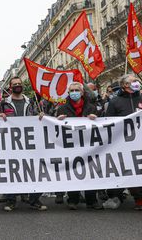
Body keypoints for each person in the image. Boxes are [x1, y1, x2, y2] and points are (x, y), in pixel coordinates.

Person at [0, 77, 47, 211]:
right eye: (15, 84)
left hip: (30, 142)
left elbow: (37, 115)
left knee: (33, 170)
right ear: (10, 87)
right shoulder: (3, 103)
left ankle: (34, 199)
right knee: (12, 171)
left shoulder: (30, 101)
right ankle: (11, 200)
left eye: (19, 83)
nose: (18, 85)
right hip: (11, 143)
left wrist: (41, 115)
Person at [56, 82, 103, 210]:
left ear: (82, 93)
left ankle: (91, 200)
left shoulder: (91, 107)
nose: (74, 92)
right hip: (71, 146)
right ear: (68, 93)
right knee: (72, 171)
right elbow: (55, 130)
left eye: (77, 90)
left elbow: (102, 126)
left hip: (88, 145)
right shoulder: (62, 109)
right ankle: (73, 199)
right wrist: (58, 121)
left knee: (90, 171)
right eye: (72, 91)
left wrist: (96, 118)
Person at [104, 74, 142, 210]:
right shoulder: (115, 101)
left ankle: (139, 198)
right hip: (123, 142)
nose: (137, 82)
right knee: (129, 168)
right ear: (125, 85)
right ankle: (129, 197)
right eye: (133, 81)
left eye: (137, 81)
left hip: (140, 141)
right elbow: (108, 121)